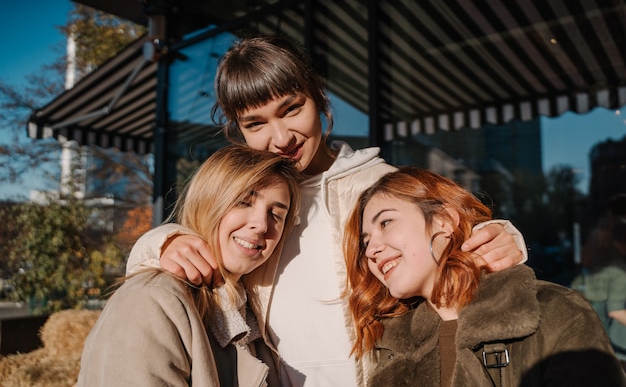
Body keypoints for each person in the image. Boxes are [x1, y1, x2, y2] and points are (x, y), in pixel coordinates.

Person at [125, 35, 528, 386]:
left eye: (291, 109)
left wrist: (504, 236)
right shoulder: (246, 200)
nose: (280, 138)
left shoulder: (378, 184)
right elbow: (195, 243)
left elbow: (458, 233)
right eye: (255, 124)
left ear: (318, 96)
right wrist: (161, 241)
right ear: (237, 129)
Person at [344, 167, 626, 386]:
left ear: (444, 220)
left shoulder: (555, 313)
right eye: (366, 241)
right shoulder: (392, 345)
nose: (372, 250)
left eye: (386, 222)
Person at [78, 145, 301, 386]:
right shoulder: (153, 300)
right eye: (244, 202)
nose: (261, 224)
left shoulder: (249, 314)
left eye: (276, 215)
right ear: (207, 202)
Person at [572, 193, 626, 371]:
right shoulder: (616, 270)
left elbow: (586, 259)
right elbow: (616, 310)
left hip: (595, 299)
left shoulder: (600, 232)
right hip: (612, 343)